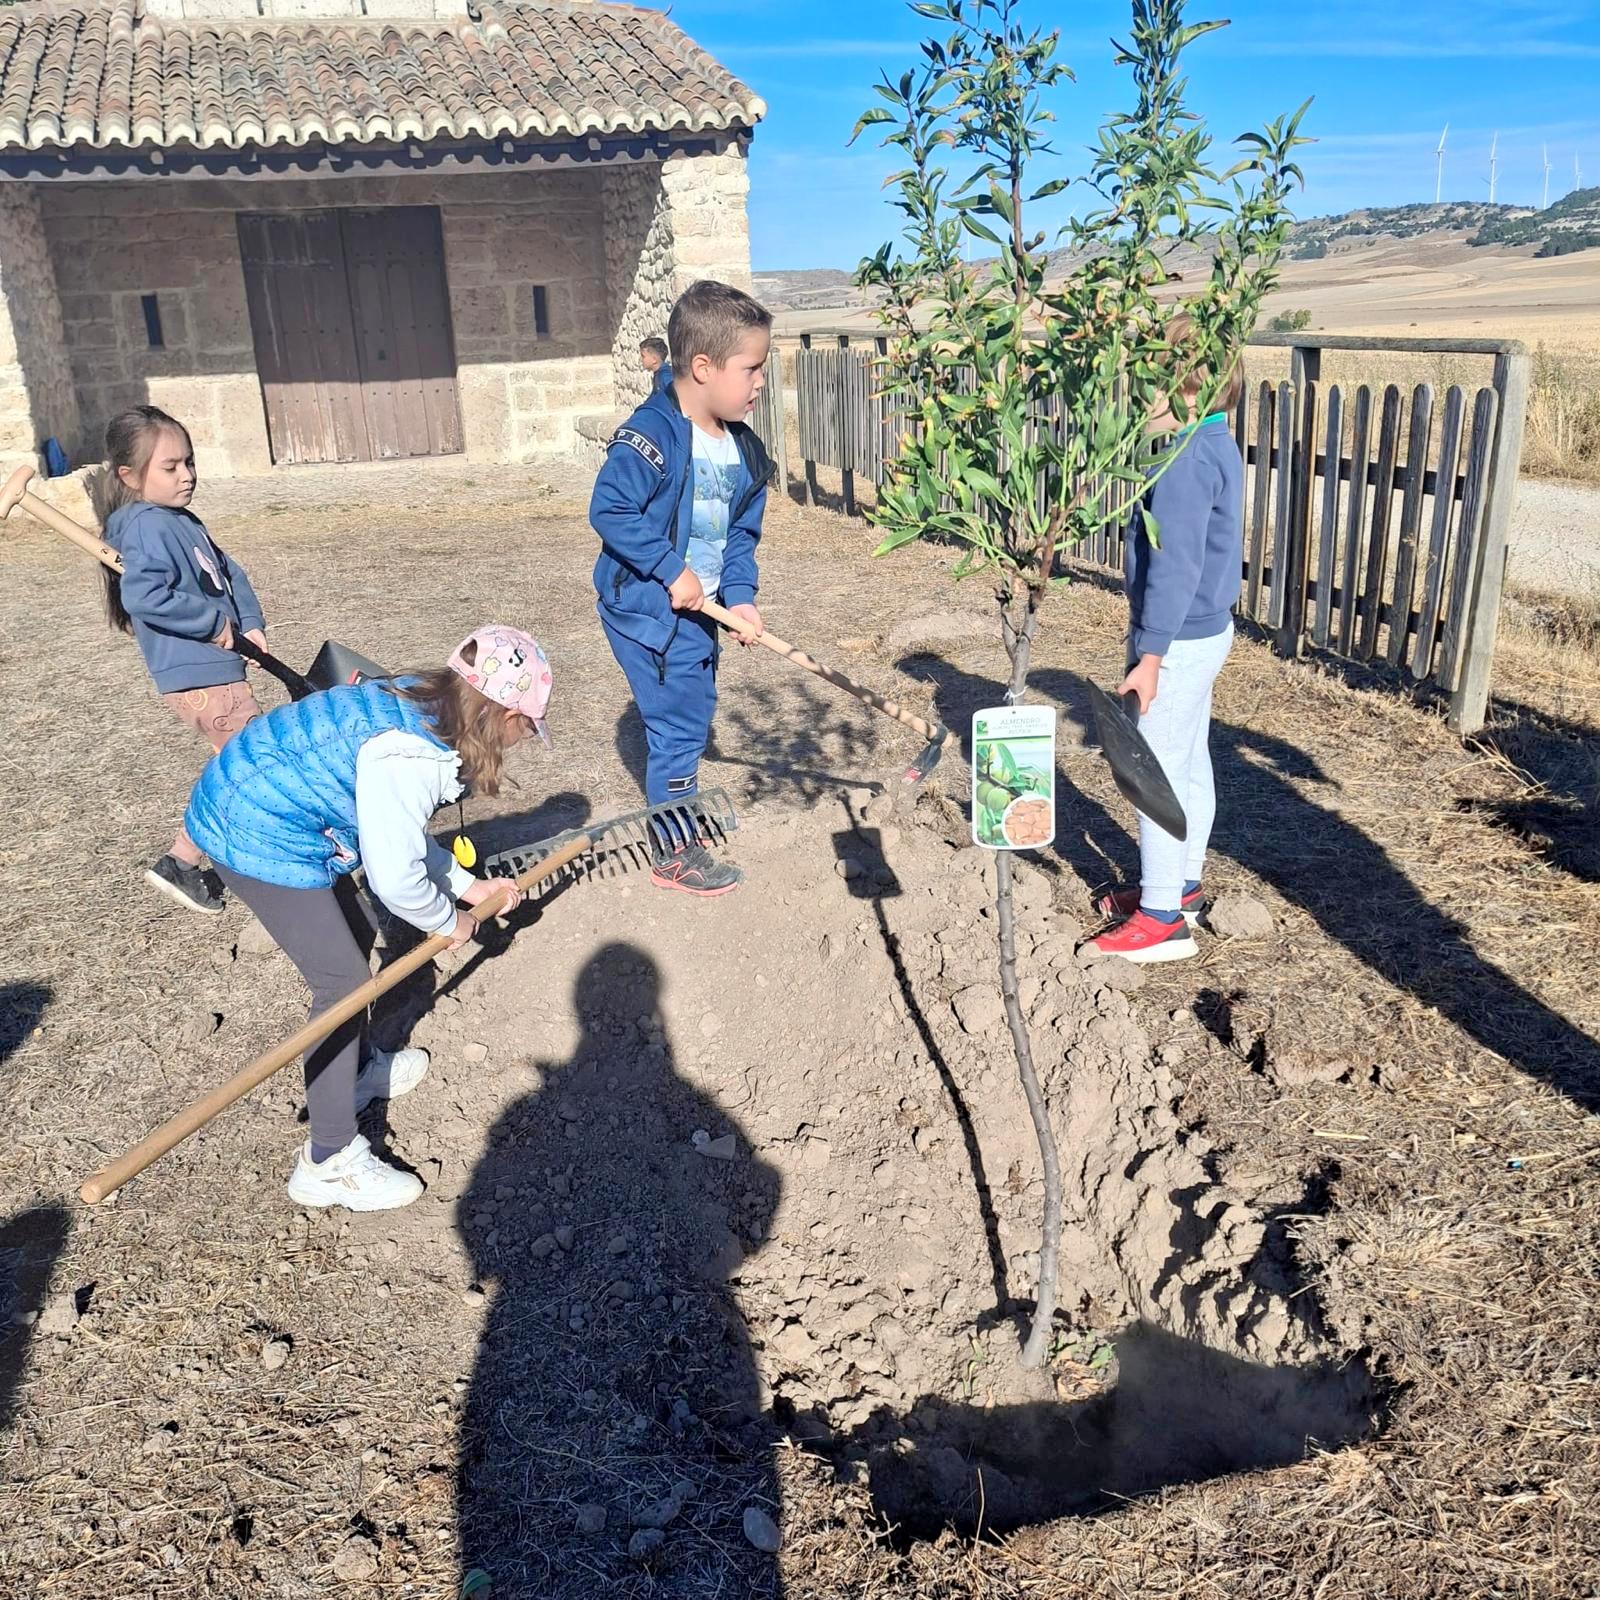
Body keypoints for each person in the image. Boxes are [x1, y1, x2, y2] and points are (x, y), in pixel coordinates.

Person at [185, 625, 554, 1210]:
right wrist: (446, 921)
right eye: (528, 724)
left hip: (273, 806)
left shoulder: (424, 703)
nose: (527, 738)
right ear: (502, 715)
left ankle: (353, 1074)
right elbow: (395, 876)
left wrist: (466, 885)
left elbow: (401, 839)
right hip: (251, 826)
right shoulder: (411, 754)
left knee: (353, 942)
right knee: (342, 983)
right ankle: (328, 1161)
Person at [593, 281, 774, 896]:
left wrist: (741, 596)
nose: (759, 383)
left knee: (688, 711)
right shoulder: (651, 436)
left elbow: (742, 534)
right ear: (703, 367)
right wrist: (673, 570)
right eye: (751, 369)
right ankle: (673, 849)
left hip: (705, 610)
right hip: (648, 610)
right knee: (682, 723)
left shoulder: (745, 451)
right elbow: (612, 510)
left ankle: (680, 808)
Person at [1085, 320, 1244, 964]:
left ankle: (1161, 918)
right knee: (1189, 760)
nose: (1140, 390)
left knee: (1154, 772)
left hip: (1176, 642)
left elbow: (1174, 566)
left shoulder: (1181, 460)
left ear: (1181, 388)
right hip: (1207, 632)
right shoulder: (1216, 443)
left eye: (1151, 377)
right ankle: (1181, 882)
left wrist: (1149, 656)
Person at [97, 406, 267, 915]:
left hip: (219, 669)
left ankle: (191, 857)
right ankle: (184, 860)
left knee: (245, 763)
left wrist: (249, 621)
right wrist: (214, 625)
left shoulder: (181, 520)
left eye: (189, 462)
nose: (187, 475)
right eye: (170, 467)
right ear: (129, 476)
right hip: (197, 673)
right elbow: (146, 597)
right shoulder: (147, 526)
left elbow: (228, 572)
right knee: (253, 764)